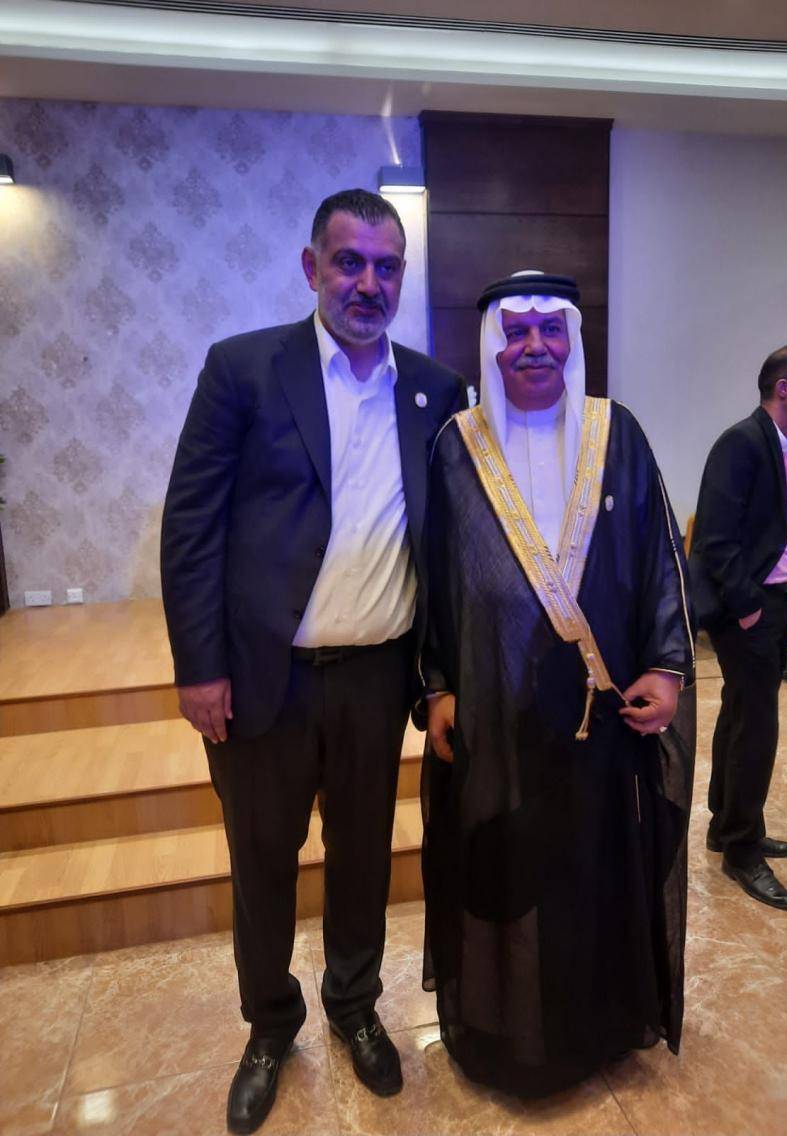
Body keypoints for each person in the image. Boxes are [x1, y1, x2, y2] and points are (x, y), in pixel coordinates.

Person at [161, 188, 465, 1133]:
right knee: (262, 862)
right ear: (312, 268)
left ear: (402, 277)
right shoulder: (244, 369)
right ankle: (268, 1025)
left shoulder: (435, 390)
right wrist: (199, 667)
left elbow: (449, 550)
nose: (368, 283)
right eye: (349, 262)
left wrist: (442, 677)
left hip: (377, 676)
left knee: (364, 856)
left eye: (386, 266)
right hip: (266, 678)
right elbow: (192, 526)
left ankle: (354, 1005)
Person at [421, 270, 695, 1097]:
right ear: (492, 346)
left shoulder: (619, 434)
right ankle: (508, 1035)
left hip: (602, 714)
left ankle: (595, 1027)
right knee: (507, 866)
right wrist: (438, 687)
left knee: (592, 864)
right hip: (495, 709)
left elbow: (660, 558)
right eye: (516, 332)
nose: (533, 346)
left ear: (572, 339)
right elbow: (434, 579)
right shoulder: (457, 446)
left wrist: (667, 667)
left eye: (550, 330)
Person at [689, 345, 787, 911]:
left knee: (741, 713)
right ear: (783, 388)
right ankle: (742, 851)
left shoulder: (776, 443)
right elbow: (714, 537)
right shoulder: (743, 442)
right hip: (748, 608)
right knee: (757, 728)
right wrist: (748, 607)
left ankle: (726, 824)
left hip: (769, 601)